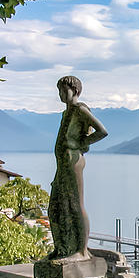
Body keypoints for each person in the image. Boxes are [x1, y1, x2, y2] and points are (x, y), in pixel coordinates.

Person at [48, 76, 107, 260]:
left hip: (73, 162)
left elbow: (102, 131)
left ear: (75, 90)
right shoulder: (66, 113)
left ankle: (81, 251)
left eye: (64, 90)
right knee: (55, 207)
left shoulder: (80, 110)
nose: (61, 94)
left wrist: (81, 143)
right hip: (63, 165)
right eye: (59, 91)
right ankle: (62, 249)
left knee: (75, 205)